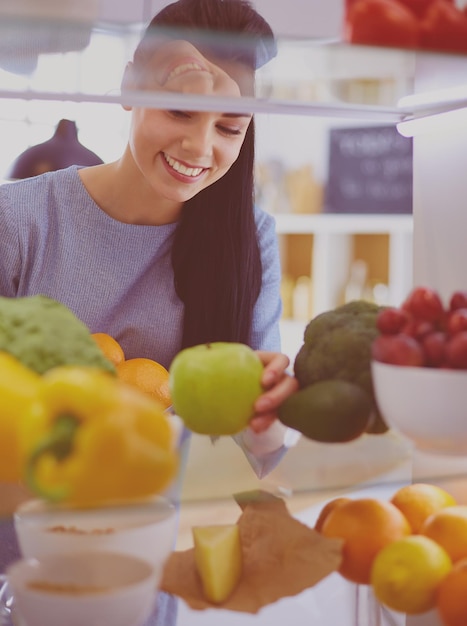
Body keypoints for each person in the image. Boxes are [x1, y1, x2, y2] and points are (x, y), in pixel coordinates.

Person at [0, 0, 299, 621]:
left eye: (229, 128)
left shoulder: (248, 238)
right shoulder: (20, 220)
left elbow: (261, 450)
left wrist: (270, 406)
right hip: (17, 567)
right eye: (180, 110)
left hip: (139, 580)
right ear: (130, 87)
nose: (200, 146)